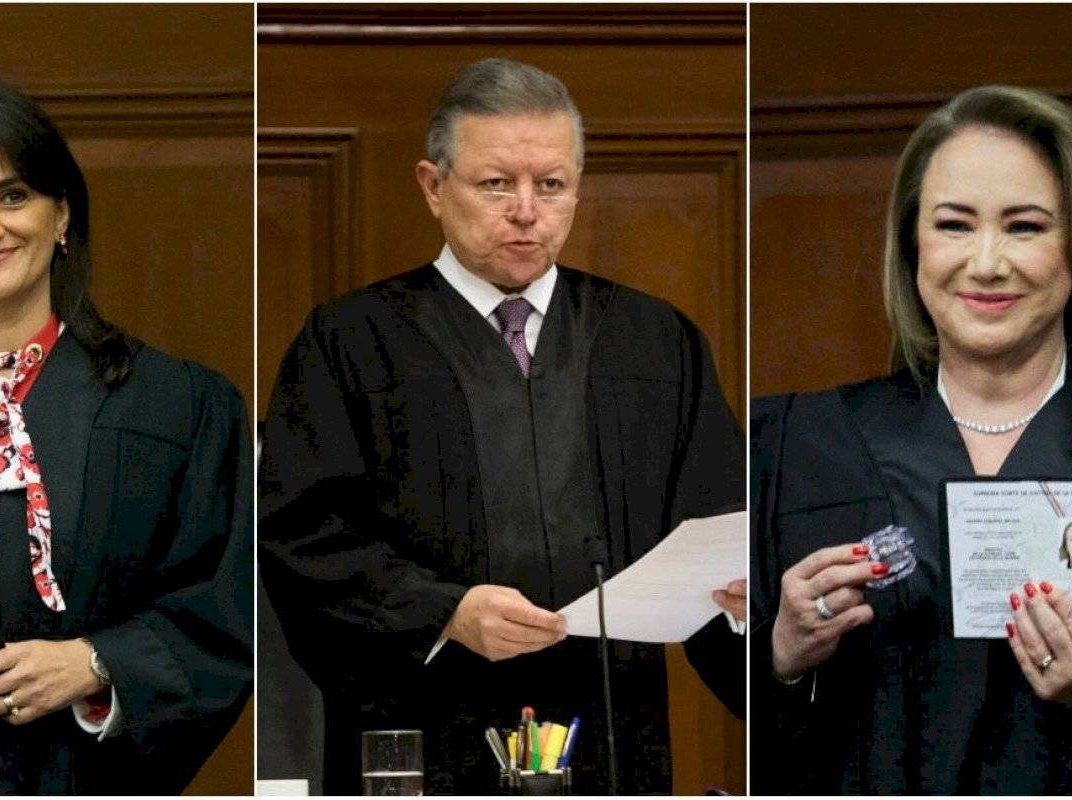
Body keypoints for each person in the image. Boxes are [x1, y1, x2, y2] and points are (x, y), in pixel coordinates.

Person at [258, 58, 745, 795]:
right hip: (424, 730)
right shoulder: (350, 342)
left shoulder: (654, 342)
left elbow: (716, 524)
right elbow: (301, 535)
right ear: (433, 186)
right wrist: (443, 613)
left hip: (613, 733)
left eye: (550, 185)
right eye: (495, 183)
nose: (526, 210)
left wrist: (738, 604)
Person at [0, 78, 252, 794]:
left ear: (61, 214)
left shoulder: (177, 408)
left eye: (12, 196)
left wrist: (97, 664)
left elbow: (223, 616)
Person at [752, 85, 1072, 794]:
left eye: (1026, 227)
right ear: (913, 247)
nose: (987, 263)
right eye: (954, 225)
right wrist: (781, 655)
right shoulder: (798, 447)